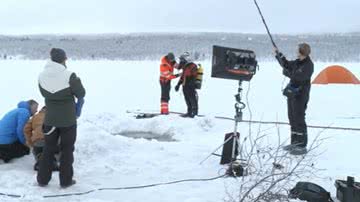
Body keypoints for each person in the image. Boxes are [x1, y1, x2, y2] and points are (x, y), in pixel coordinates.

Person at [37, 48, 86, 188]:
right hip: (68, 121)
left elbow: (44, 93)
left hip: (50, 120)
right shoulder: (70, 75)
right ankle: (65, 181)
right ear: (64, 59)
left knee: (48, 149)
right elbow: (81, 93)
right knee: (67, 150)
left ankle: (42, 179)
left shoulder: (41, 76)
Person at [275, 43, 314, 155]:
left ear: (302, 51)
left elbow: (298, 77)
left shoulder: (308, 65)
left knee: (299, 118)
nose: (296, 51)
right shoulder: (298, 62)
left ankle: (302, 146)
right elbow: (286, 64)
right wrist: (279, 55)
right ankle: (294, 143)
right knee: (292, 118)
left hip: (301, 95)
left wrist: (286, 72)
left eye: (297, 50)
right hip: (292, 94)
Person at [24, 106, 59, 171]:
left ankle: (40, 160)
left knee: (38, 152)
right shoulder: (55, 116)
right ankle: (53, 160)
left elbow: (26, 129)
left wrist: (30, 143)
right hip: (51, 140)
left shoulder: (35, 117)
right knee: (56, 152)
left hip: (38, 142)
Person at [175, 52, 199, 118]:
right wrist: (178, 85)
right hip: (185, 85)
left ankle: (194, 113)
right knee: (187, 99)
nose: (181, 61)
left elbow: (195, 76)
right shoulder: (185, 66)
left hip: (190, 86)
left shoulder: (193, 66)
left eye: (182, 60)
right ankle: (189, 112)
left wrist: (191, 83)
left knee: (192, 99)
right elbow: (182, 77)